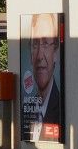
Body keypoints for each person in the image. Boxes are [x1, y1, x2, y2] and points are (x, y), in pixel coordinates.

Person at [26, 13, 61, 141]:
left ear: (55, 52)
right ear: (30, 53)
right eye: (35, 44)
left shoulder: (63, 108)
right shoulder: (27, 109)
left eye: (45, 43)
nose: (40, 56)